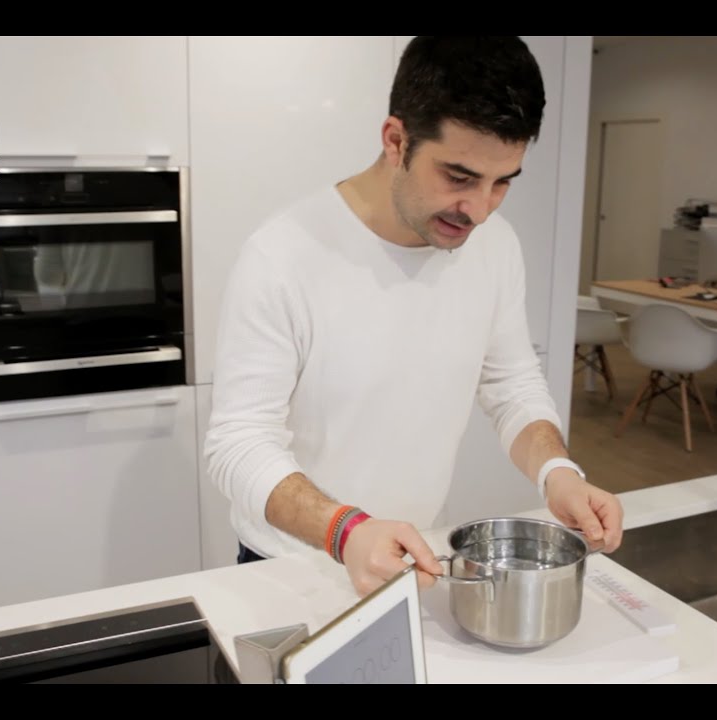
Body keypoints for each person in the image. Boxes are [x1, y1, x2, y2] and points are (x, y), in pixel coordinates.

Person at [204, 36, 624, 598]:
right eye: (459, 176)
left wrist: (558, 474)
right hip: (289, 565)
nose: (479, 208)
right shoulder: (283, 256)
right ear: (396, 140)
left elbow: (510, 382)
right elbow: (238, 442)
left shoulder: (495, 246)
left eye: (502, 182)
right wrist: (345, 531)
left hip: (415, 556)